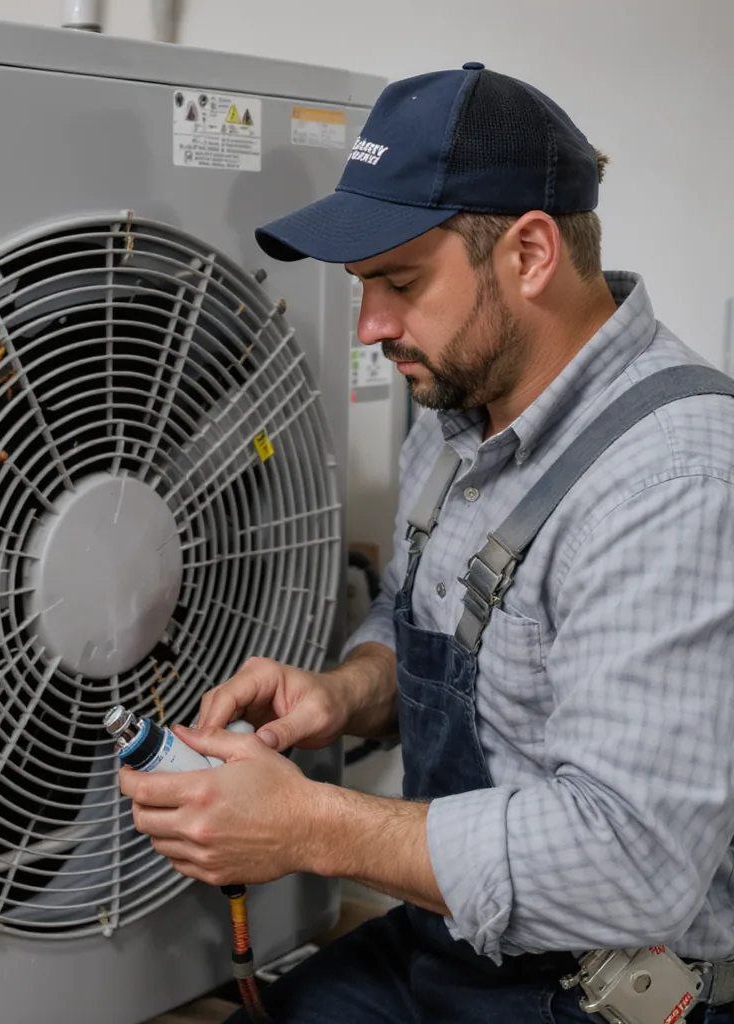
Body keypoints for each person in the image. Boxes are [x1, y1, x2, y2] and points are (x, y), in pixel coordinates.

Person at [118, 62, 734, 1023]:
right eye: (362, 287)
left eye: (399, 282)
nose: (371, 328)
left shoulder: (672, 481)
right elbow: (427, 618)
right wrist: (344, 694)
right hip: (451, 942)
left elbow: (633, 863)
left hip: (606, 993)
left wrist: (310, 826)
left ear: (530, 254)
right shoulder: (456, 410)